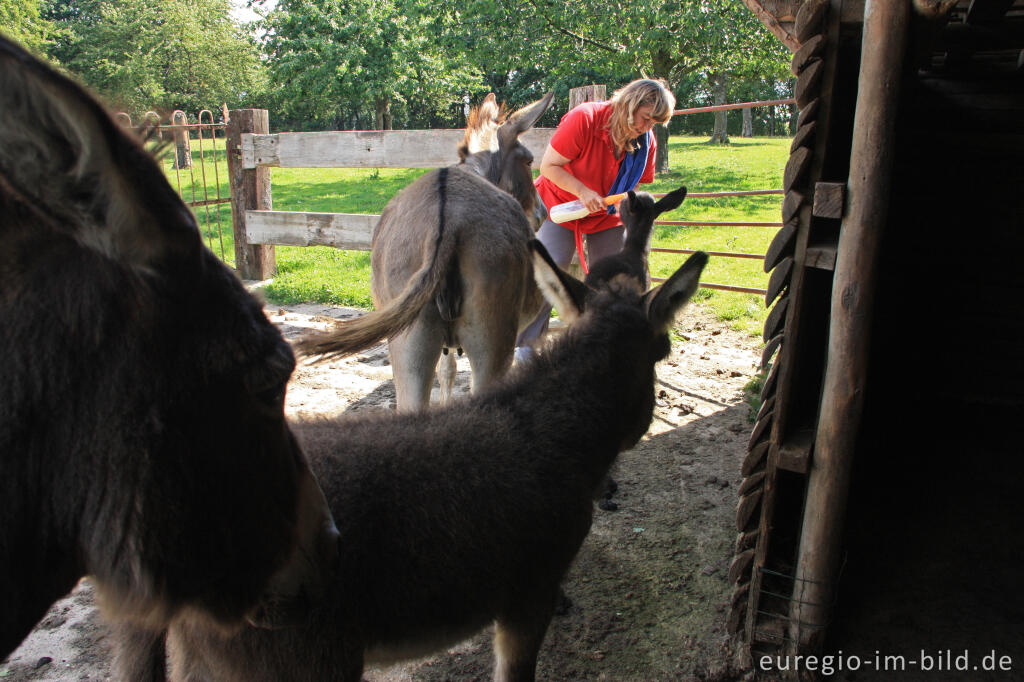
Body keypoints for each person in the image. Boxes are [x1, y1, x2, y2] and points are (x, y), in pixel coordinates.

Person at [515, 78, 676, 361]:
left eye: (654, 123)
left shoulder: (645, 141)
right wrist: (582, 191)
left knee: (617, 279)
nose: (647, 128)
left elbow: (635, 186)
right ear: (630, 104)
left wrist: (620, 205)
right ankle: (526, 348)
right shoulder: (585, 119)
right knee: (548, 273)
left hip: (605, 214)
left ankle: (606, 343)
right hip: (561, 206)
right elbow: (549, 166)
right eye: (645, 118)